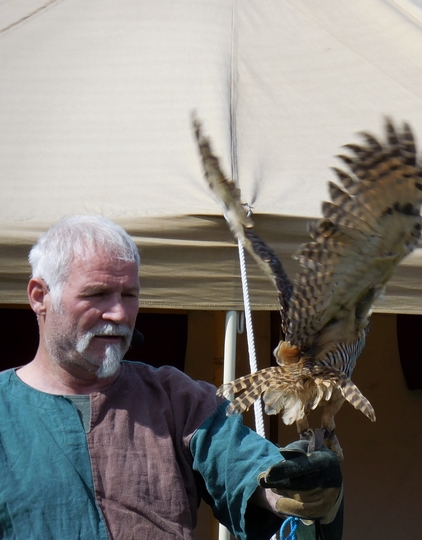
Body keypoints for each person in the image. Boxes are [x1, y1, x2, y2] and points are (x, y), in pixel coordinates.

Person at [0, 216, 342, 540]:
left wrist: (299, 483)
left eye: (129, 295)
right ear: (40, 297)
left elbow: (246, 465)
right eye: (97, 294)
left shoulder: (176, 397)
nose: (119, 313)